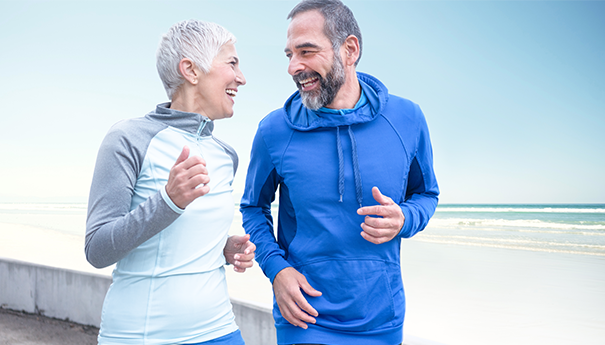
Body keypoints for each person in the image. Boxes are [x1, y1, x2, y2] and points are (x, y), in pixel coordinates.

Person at [240, 0, 439, 344]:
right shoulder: (274, 131)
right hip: (304, 315)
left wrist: (404, 219)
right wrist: (277, 270)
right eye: (289, 54)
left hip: (382, 319)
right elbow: (253, 209)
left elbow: (426, 195)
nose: (293, 67)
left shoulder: (407, 120)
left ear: (349, 50)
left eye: (306, 51)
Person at [85, 20, 254, 345]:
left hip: (221, 331)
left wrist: (220, 248)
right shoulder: (128, 139)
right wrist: (168, 201)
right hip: (141, 337)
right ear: (191, 70)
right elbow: (97, 249)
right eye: (232, 63)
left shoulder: (226, 155)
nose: (241, 78)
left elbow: (176, 242)